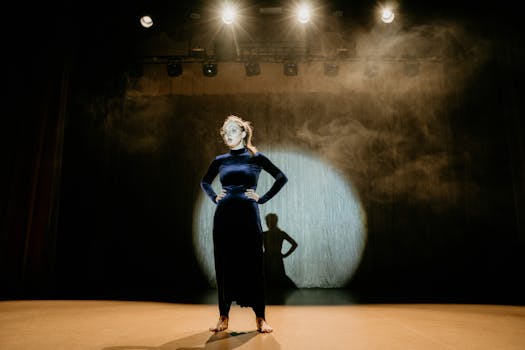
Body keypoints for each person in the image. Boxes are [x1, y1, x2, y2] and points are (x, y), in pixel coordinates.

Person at [200, 115, 288, 333]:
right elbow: (204, 181)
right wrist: (213, 196)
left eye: (232, 131)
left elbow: (281, 177)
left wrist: (262, 198)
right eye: (225, 133)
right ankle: (223, 317)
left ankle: (260, 318)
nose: (228, 135)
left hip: (248, 216)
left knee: (253, 264)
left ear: (243, 133)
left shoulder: (255, 157)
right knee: (224, 263)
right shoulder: (220, 160)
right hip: (224, 217)